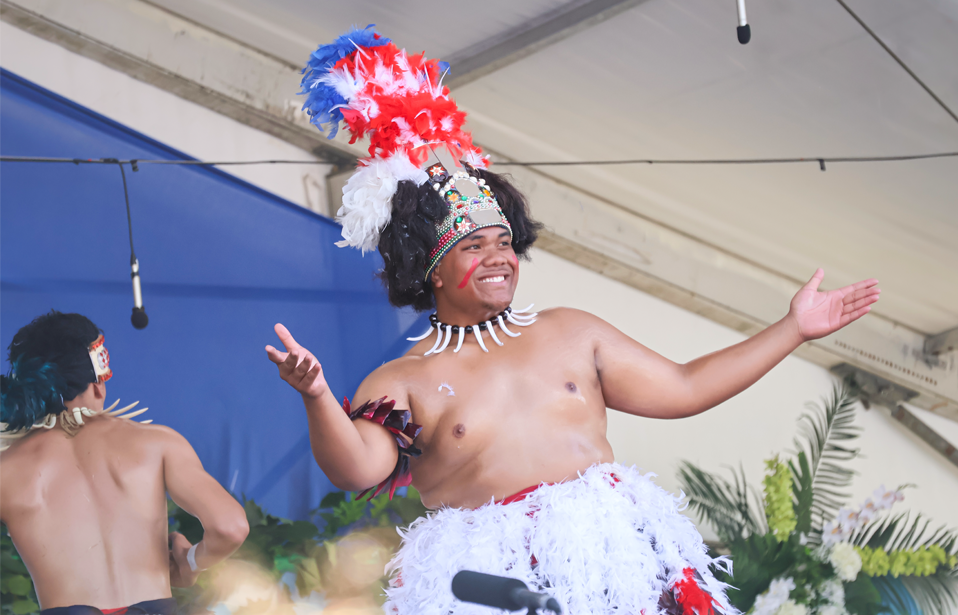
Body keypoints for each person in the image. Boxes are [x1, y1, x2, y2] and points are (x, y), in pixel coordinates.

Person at [268, 27, 881, 615]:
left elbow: (687, 389)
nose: (499, 257)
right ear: (431, 269)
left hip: (614, 562)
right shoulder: (402, 380)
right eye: (474, 246)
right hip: (493, 582)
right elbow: (357, 469)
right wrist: (318, 395)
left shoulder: (571, 331)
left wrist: (792, 328)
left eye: (504, 242)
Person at [1, 311, 249, 615]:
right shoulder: (157, 443)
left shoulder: (7, 470)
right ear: (97, 383)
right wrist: (192, 562)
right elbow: (231, 527)